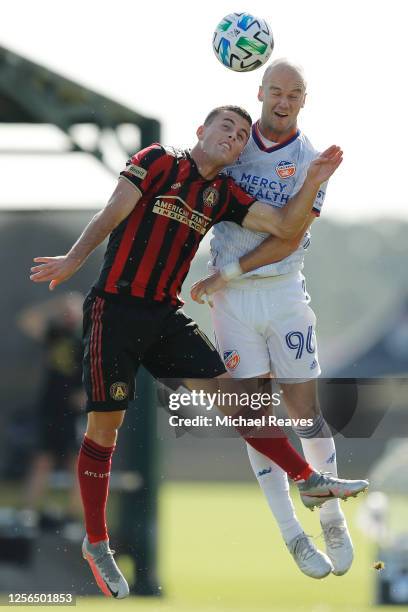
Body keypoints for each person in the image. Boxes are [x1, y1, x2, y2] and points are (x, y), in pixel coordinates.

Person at [30, 105, 367, 598]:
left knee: (237, 399)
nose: (233, 136)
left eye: (240, 134)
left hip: (164, 317)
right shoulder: (158, 161)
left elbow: (284, 227)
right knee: (106, 429)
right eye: (224, 126)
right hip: (114, 309)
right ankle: (97, 542)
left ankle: (307, 479)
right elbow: (112, 212)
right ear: (200, 131)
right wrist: (73, 258)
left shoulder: (222, 193)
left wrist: (313, 180)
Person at [190, 61, 354, 579]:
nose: (283, 100)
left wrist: (228, 273)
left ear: (305, 100)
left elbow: (288, 234)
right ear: (259, 92)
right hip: (231, 303)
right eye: (276, 91)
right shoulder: (234, 145)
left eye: (295, 93)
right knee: (255, 419)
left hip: (281, 291)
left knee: (304, 409)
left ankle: (331, 518)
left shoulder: (313, 161)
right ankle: (293, 537)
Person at [16, 292, 85, 530]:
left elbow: (99, 373)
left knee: (77, 463)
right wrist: (55, 305)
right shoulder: (54, 335)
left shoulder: (85, 339)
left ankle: (73, 517)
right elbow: (27, 320)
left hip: (73, 412)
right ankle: (28, 513)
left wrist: (87, 395)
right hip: (50, 408)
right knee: (42, 459)